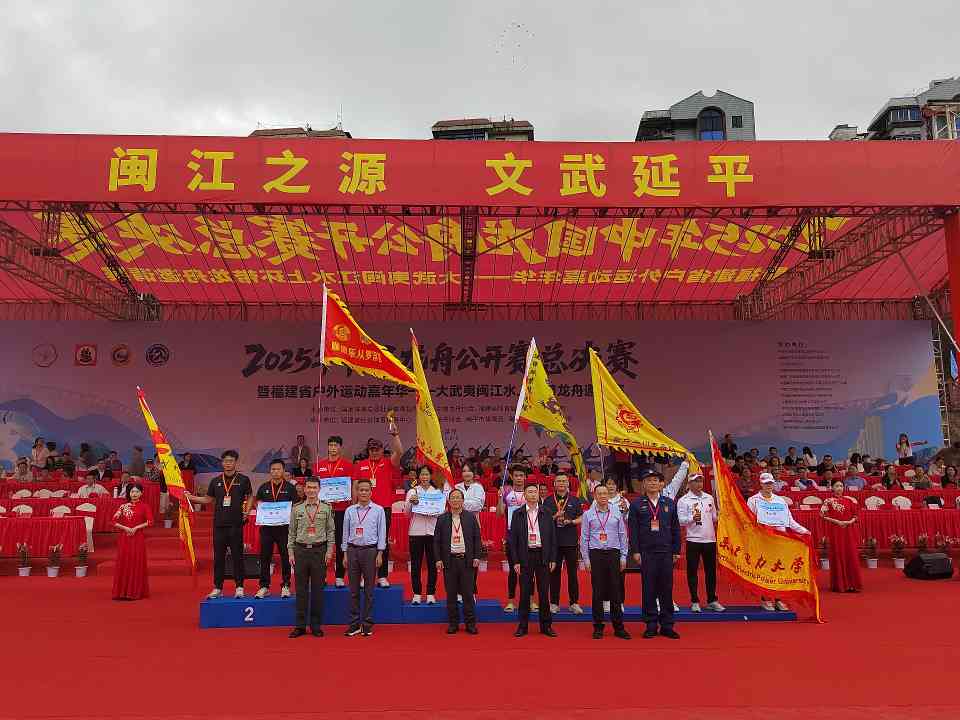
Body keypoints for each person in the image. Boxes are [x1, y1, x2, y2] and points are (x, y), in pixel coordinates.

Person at [186, 450, 253, 599]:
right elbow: (207, 499)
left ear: (235, 462)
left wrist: (247, 511)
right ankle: (218, 588)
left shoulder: (243, 480)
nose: (228, 463)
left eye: (231, 461)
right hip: (219, 525)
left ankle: (239, 587)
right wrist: (190, 497)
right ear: (222, 463)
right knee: (218, 558)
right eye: (225, 461)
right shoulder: (215, 481)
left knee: (237, 557)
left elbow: (250, 496)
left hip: (236, 525)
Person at [747, 472, 811, 611]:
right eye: (766, 483)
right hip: (763, 541)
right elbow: (749, 523)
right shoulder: (753, 501)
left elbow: (790, 521)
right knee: (764, 570)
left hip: (780, 541)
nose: (769, 486)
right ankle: (766, 598)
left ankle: (778, 598)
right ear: (761, 484)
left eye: (770, 483)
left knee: (778, 570)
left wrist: (804, 531)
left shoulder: (780, 501)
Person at [629, 471, 681, 639]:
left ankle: (667, 625)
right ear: (644, 484)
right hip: (647, 552)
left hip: (666, 552)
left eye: (655, 480)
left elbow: (675, 528)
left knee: (666, 588)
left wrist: (676, 550)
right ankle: (650, 624)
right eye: (649, 480)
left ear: (661, 484)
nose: (652, 483)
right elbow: (633, 530)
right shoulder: (636, 504)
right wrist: (635, 551)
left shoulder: (669, 503)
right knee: (649, 589)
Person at [353, 425, 403, 588]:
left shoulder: (388, 463)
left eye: (377, 449)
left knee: (382, 541)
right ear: (368, 450)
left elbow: (399, 452)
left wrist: (395, 435)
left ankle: (382, 576)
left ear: (382, 450)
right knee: (364, 543)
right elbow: (355, 486)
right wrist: (354, 505)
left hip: (383, 508)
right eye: (372, 449)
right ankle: (364, 576)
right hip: (364, 509)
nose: (374, 452)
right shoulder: (360, 465)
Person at [580, 484, 630, 639]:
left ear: (609, 495)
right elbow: (584, 538)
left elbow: (623, 535)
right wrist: (586, 559)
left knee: (616, 590)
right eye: (599, 493)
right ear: (595, 496)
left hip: (613, 554)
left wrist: (623, 556)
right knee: (598, 591)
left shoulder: (616, 512)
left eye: (605, 493)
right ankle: (598, 626)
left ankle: (618, 627)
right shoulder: (588, 514)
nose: (602, 496)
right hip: (596, 554)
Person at [509, 481, 557, 637]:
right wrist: (515, 561)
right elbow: (513, 540)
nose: (533, 494)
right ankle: (522, 626)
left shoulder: (546, 512)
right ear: (524, 495)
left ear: (538, 494)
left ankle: (546, 626)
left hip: (542, 555)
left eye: (535, 492)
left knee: (543, 592)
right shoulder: (518, 513)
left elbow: (552, 537)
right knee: (524, 593)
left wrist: (552, 558)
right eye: (529, 492)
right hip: (525, 556)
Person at [287, 478, 335, 637]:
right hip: (300, 551)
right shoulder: (297, 508)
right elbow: (291, 533)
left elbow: (330, 532)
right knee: (300, 590)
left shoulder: (327, 508)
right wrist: (291, 552)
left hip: (319, 551)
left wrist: (329, 551)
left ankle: (315, 625)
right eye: (309, 487)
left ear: (319, 489)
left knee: (317, 590)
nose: (311, 490)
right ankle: (300, 626)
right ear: (304, 489)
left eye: (314, 487)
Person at [342, 479, 386, 637]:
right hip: (352, 551)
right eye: (361, 490)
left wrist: (380, 553)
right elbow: (345, 533)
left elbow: (382, 532)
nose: (364, 493)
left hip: (370, 552)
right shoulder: (349, 510)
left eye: (367, 490)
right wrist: (345, 553)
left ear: (371, 492)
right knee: (353, 590)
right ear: (356, 492)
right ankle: (354, 624)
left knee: (369, 591)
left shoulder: (378, 510)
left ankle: (367, 624)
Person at [434, 488, 481, 634]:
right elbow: (436, 541)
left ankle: (470, 624)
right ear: (449, 501)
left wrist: (476, 556)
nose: (455, 500)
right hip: (449, 561)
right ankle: (453, 623)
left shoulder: (470, 517)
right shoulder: (442, 519)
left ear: (463, 500)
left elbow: (477, 538)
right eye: (452, 497)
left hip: (466, 561)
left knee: (468, 594)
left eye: (458, 497)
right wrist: (438, 559)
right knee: (451, 594)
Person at [676, 473, 724, 613]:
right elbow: (680, 521)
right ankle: (694, 601)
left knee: (711, 572)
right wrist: (693, 517)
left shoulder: (709, 498)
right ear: (689, 484)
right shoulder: (683, 500)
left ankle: (712, 600)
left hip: (710, 539)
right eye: (695, 482)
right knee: (692, 572)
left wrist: (722, 513)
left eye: (700, 481)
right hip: (693, 540)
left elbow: (714, 517)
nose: (699, 484)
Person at [251, 459, 298, 599]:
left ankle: (286, 585)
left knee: (285, 557)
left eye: (278, 469)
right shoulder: (264, 487)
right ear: (270, 471)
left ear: (283, 471)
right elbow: (257, 503)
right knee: (265, 557)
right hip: (267, 529)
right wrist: (260, 507)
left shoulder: (290, 488)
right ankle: (264, 586)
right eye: (273, 469)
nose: (275, 472)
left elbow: (295, 506)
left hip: (284, 529)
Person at [314, 435, 355, 588]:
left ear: (340, 448)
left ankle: (339, 576)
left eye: (335, 445)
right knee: (322, 543)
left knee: (340, 543)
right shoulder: (319, 465)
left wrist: (352, 505)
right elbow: (314, 487)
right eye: (330, 445)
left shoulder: (348, 465)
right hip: (323, 510)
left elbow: (353, 486)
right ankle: (322, 575)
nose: (332, 448)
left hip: (341, 510)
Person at [541, 473, 584, 615]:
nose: (561, 483)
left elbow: (581, 517)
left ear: (568, 483)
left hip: (570, 541)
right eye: (558, 481)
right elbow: (543, 521)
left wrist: (571, 521)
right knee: (554, 573)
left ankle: (574, 603)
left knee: (573, 574)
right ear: (554, 484)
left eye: (564, 481)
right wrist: (555, 517)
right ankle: (554, 603)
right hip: (554, 543)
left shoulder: (575, 500)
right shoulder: (548, 501)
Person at [405, 466, 444, 605]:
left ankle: (430, 593)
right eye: (422, 474)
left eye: (427, 474)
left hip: (433, 533)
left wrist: (435, 509)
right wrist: (411, 502)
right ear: (418, 476)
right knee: (415, 564)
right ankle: (416, 593)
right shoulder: (413, 491)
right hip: (416, 532)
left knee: (433, 565)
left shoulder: (437, 492)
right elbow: (406, 513)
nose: (424, 477)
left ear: (431, 476)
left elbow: (441, 513)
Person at [820, 479, 862, 593]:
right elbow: (823, 515)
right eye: (837, 486)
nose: (839, 488)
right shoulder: (828, 501)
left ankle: (852, 584)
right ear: (832, 488)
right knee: (838, 553)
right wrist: (837, 522)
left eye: (841, 486)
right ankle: (839, 585)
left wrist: (848, 522)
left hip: (849, 530)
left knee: (851, 554)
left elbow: (856, 515)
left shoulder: (851, 500)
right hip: (836, 530)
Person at [112, 483, 153, 600]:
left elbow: (150, 521)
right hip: (125, 538)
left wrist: (135, 528)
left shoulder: (145, 506)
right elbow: (113, 521)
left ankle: (134, 592)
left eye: (137, 492)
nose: (134, 494)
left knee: (136, 562)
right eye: (132, 492)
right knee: (124, 561)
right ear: (128, 493)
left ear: (141, 493)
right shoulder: (123, 506)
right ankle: (121, 592)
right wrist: (125, 528)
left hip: (138, 537)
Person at [498, 467, 527, 612]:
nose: (519, 478)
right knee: (513, 570)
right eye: (516, 475)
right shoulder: (507, 493)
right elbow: (499, 513)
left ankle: (530, 601)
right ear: (512, 477)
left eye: (521, 475)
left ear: (525, 477)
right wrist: (499, 497)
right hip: (511, 536)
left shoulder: (530, 492)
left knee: (529, 571)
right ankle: (510, 601)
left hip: (528, 535)